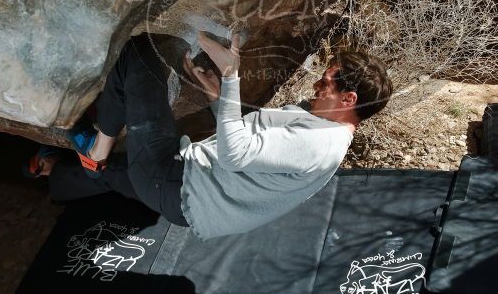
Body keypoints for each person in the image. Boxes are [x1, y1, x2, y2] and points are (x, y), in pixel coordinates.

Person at [30, 31, 392, 240]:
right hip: (187, 196)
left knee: (141, 53)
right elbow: (255, 155)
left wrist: (232, 76)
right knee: (120, 174)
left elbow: (237, 153)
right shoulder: (325, 132)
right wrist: (218, 99)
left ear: (349, 99)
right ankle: (57, 174)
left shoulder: (319, 144)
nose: (317, 84)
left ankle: (96, 146)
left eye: (326, 83)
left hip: (177, 184)